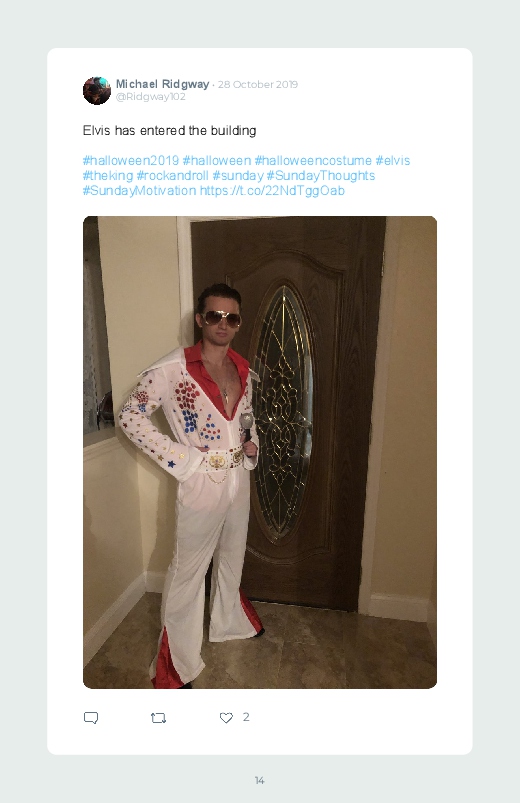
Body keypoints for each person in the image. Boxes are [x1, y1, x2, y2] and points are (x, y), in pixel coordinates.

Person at [119, 283, 264, 688]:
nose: (223, 324)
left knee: (232, 556)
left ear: (238, 323)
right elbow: (130, 417)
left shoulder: (243, 369)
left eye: (231, 318)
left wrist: (251, 444)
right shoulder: (171, 370)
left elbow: (246, 416)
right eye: (214, 316)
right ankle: (177, 663)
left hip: (238, 478)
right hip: (201, 482)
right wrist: (183, 459)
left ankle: (227, 622)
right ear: (200, 319)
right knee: (188, 570)